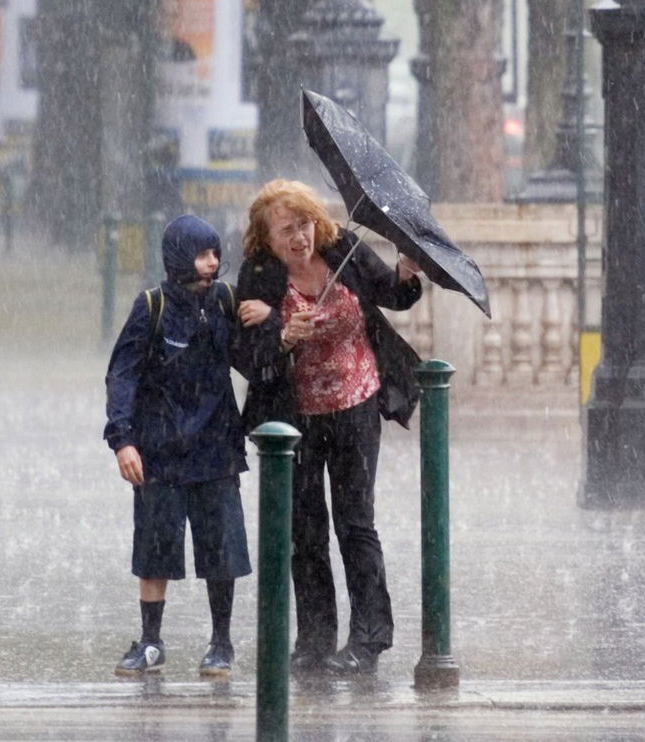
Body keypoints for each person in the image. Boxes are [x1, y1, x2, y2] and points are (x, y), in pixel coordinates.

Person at [234, 179, 422, 676]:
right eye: (285, 231)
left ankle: (369, 639)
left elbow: (391, 294)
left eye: (304, 224)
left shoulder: (345, 249)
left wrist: (406, 272)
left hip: (356, 405)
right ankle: (315, 640)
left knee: (356, 524)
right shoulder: (258, 277)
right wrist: (281, 334)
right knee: (306, 533)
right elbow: (246, 354)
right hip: (295, 418)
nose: (299, 238)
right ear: (265, 240)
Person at [103, 215, 271, 678]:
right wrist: (123, 440)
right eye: (202, 255)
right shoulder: (151, 306)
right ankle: (151, 641)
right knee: (155, 549)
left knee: (222, 549)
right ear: (179, 257)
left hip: (217, 449)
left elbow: (255, 361)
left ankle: (221, 642)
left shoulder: (225, 301)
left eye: (216, 254)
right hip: (159, 451)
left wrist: (276, 326)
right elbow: (123, 375)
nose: (212, 264)